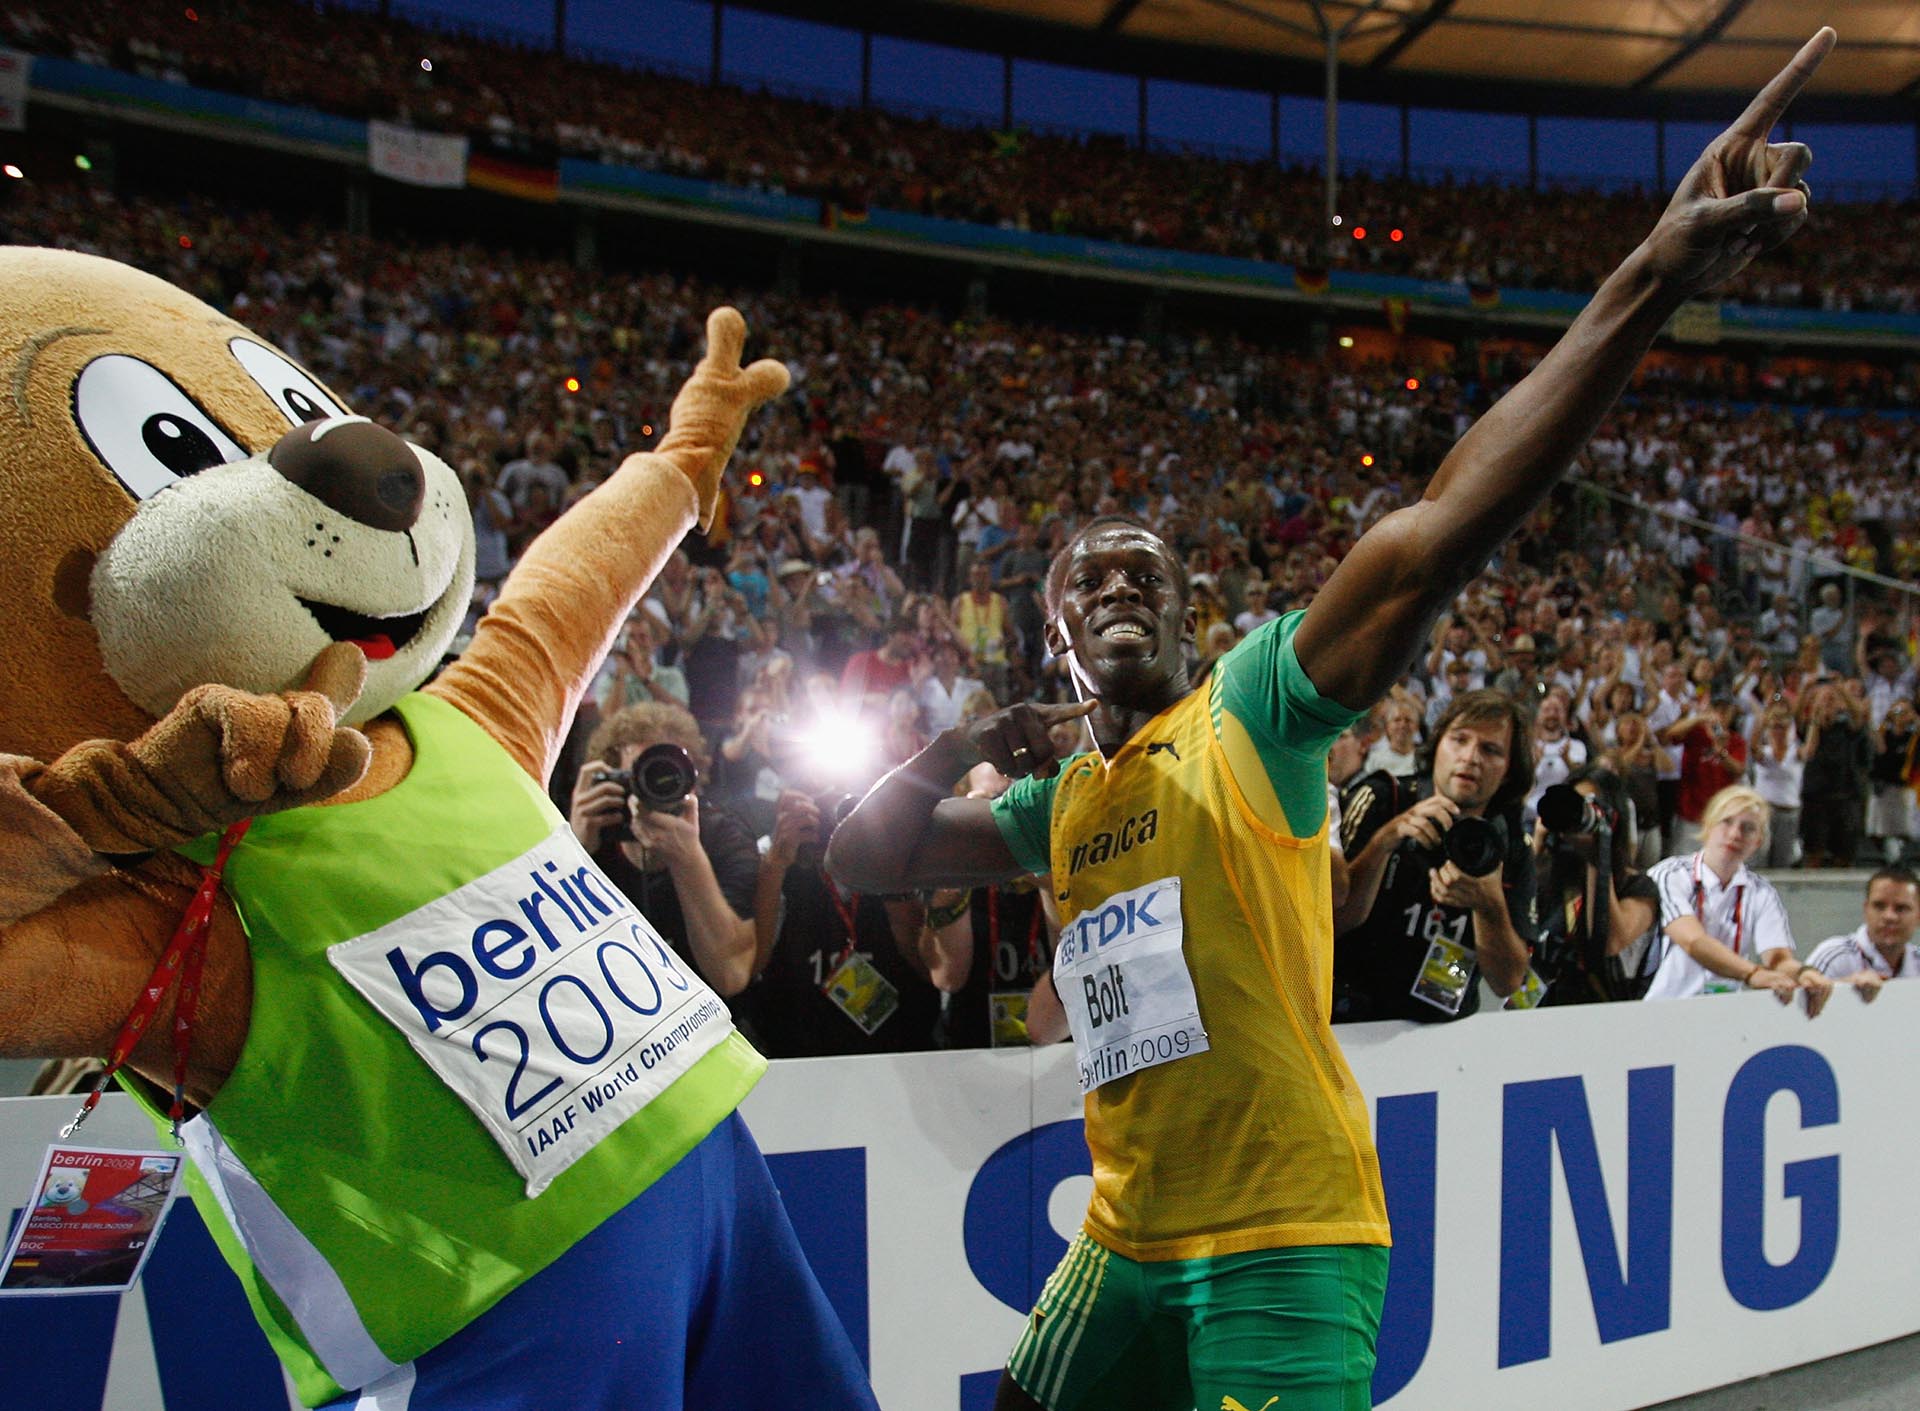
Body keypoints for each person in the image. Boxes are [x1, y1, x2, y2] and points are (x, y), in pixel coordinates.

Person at [826, 35, 1835, 1408]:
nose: (1118, 587)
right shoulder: (1050, 804)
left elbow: (1426, 540)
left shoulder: (1245, 709)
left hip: (1284, 1238)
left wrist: (1647, 280)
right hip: (1125, 1233)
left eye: (1148, 574)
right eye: (1087, 581)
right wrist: (956, 740)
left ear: (1190, 618)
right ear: (1054, 631)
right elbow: (863, 858)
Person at [1334, 690, 1539, 1022]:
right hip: (1352, 1022)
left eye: (1490, 749)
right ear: (1436, 745)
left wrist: (1489, 907)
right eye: (1459, 740)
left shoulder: (1512, 843)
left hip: (1441, 1038)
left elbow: (1508, 983)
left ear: (1509, 771)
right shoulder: (1383, 798)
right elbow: (1329, 924)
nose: (1470, 757)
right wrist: (1385, 841)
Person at [568, 703, 761, 997]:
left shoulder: (723, 838)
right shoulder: (594, 837)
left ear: (693, 782)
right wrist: (573, 855)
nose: (653, 787)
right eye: (641, 773)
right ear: (613, 780)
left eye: (667, 771)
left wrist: (687, 857)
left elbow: (730, 975)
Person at [1643, 785, 1832, 1013]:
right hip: (1662, 1008)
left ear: (1758, 841)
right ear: (1708, 825)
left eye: (1748, 828)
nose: (1735, 834)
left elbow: (1778, 959)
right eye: (1726, 822)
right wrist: (1752, 974)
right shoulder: (1671, 873)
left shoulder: (1762, 891)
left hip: (1725, 1011)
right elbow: (1692, 941)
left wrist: (1806, 974)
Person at [1531, 765, 1662, 1005]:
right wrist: (1537, 850)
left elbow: (1610, 942)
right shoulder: (1550, 878)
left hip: (1603, 1016)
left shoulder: (1639, 886)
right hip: (1543, 1010)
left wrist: (1598, 854)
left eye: (1588, 805)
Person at [1805, 866, 1920, 999]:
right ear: (1866, 910)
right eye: (1879, 906)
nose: (1889, 916)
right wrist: (1844, 988)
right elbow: (1799, 1006)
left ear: (1918, 916)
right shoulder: (1834, 956)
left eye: (1901, 908)